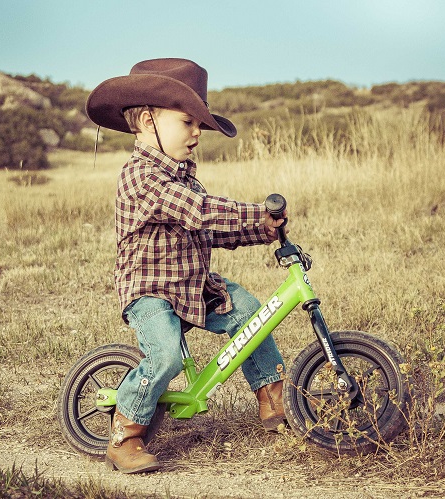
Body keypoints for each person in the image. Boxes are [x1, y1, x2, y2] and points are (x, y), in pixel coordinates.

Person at [86, 58, 287, 474]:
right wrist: (253, 213)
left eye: (201, 124)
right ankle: (125, 435)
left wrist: (263, 231)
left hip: (193, 285)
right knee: (165, 357)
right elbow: (200, 211)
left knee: (251, 313)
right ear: (147, 121)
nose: (197, 133)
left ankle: (273, 397)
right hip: (151, 290)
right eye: (188, 122)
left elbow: (210, 230)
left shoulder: (184, 177)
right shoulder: (141, 176)